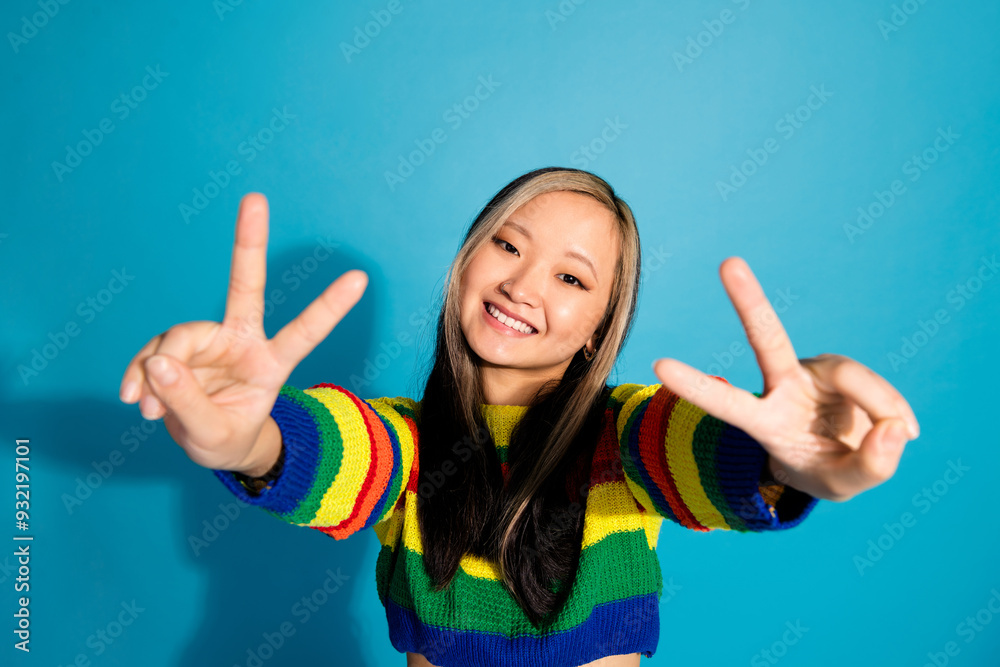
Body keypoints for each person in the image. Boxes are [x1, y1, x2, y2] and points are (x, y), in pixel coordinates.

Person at [119, 167, 919, 667]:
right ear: (466, 258)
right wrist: (246, 439)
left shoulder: (620, 437)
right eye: (506, 244)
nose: (523, 284)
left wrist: (782, 465)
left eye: (572, 278)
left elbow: (692, 449)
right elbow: (337, 453)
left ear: (598, 331)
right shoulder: (404, 441)